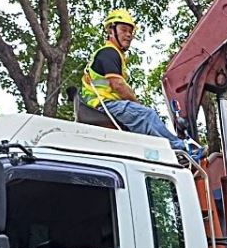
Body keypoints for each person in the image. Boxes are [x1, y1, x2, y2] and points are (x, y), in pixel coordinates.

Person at [83, 9, 204, 162]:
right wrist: (137, 103)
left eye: (130, 32)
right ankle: (182, 149)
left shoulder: (112, 54)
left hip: (104, 104)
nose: (128, 35)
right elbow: (118, 85)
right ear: (111, 31)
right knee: (146, 115)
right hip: (105, 105)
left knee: (141, 121)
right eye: (124, 30)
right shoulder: (109, 53)